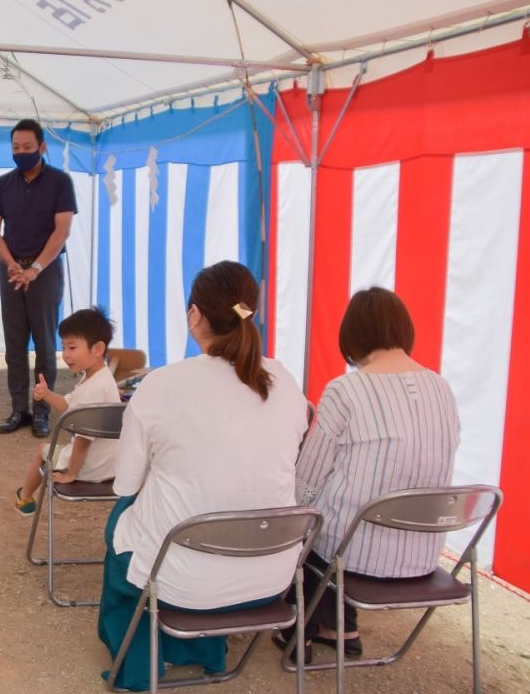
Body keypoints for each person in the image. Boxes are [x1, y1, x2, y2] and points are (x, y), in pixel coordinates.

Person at [98, 261, 306, 690]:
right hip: (271, 575)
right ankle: (202, 651)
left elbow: (127, 483)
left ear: (194, 315)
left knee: (122, 522)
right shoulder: (284, 380)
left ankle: (139, 670)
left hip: (180, 581)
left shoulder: (163, 384)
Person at [275, 287, 460, 660]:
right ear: (404, 330)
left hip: (353, 556)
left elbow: (309, 477)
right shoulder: (442, 386)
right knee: (345, 514)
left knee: (311, 524)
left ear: (352, 336)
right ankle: (342, 628)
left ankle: (301, 631)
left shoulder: (346, 390)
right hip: (423, 555)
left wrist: (285, 515)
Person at [0, 118, 77, 438]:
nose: (21, 152)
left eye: (27, 147)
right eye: (15, 147)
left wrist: (35, 268)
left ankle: (42, 410)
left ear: (42, 146)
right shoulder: (3, 184)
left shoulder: (60, 182)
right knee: (14, 344)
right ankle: (18, 409)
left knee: (44, 341)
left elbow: (61, 231)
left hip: (46, 270)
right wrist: (11, 263)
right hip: (11, 270)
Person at [12, 308, 121, 514]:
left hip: (88, 467)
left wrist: (72, 473)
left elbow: (83, 439)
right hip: (109, 465)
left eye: (72, 347)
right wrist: (47, 394)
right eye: (64, 347)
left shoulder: (94, 387)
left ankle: (24, 498)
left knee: (42, 451)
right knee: (52, 448)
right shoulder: (98, 377)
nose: (66, 355)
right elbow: (68, 406)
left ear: (97, 348)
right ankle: (25, 496)